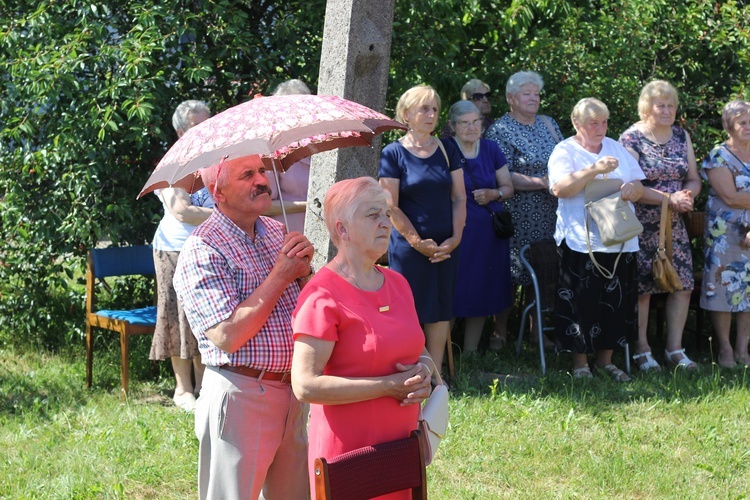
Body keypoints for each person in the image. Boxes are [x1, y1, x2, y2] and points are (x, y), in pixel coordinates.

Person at [173, 154, 314, 499]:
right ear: (216, 191)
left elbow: (305, 304)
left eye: (262, 171)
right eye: (247, 175)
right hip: (242, 394)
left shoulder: (276, 231)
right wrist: (281, 274)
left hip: (292, 392)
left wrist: (307, 273)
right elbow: (227, 335)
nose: (261, 180)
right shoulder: (203, 248)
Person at [291, 177, 434, 499]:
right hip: (349, 453)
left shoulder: (398, 283)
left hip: (401, 445)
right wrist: (387, 386)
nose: (385, 223)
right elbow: (304, 385)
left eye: (386, 214)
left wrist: (425, 374)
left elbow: (418, 350)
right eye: (373, 216)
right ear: (342, 229)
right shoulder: (321, 295)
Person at [548, 97, 645, 381]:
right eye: (593, 122)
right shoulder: (565, 150)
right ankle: (580, 364)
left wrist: (631, 190)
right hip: (581, 240)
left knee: (614, 302)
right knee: (581, 301)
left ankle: (606, 361)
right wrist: (594, 170)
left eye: (604, 122)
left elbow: (639, 184)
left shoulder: (616, 147)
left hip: (619, 238)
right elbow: (560, 189)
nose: (600, 127)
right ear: (577, 124)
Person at [379, 84, 467, 380]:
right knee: (409, 310)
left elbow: (459, 197)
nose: (432, 115)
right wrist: (417, 242)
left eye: (435, 109)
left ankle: (436, 376)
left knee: (441, 309)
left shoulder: (447, 148)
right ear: (406, 114)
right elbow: (390, 205)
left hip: (446, 245)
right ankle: (412, 372)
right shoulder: (393, 153)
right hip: (408, 247)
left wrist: (455, 239)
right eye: (424, 109)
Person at [620, 80, 701, 371]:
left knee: (681, 285)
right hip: (641, 223)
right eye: (661, 105)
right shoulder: (631, 138)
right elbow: (631, 185)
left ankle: (674, 350)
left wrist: (688, 194)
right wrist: (670, 198)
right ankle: (641, 350)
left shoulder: (681, 135)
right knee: (643, 287)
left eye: (671, 105)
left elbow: (692, 176)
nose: (667, 110)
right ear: (647, 108)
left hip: (674, 224)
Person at [486, 70, 563, 350]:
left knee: (544, 267)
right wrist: (542, 182)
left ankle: (536, 331)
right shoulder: (500, 130)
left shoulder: (550, 124)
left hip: (550, 211)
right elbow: (503, 175)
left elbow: (564, 161)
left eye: (537, 93)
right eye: (527, 93)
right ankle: (500, 331)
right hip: (517, 212)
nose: (534, 98)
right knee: (510, 273)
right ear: (511, 98)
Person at [150, 99, 213, 412]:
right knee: (177, 317)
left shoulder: (217, 160)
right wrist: (225, 214)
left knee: (207, 317)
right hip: (174, 249)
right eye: (196, 127)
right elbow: (181, 210)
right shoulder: (174, 163)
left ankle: (204, 385)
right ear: (180, 132)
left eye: (207, 123)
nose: (204, 131)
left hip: (209, 247)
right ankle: (182, 389)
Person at [445, 100, 514, 353]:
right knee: (454, 290)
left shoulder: (491, 149)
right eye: (465, 123)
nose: (472, 127)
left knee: (482, 289)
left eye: (476, 122)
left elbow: (508, 188)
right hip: (457, 231)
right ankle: (441, 354)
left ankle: (471, 353)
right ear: (453, 126)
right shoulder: (444, 149)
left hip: (488, 235)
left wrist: (494, 193)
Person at [700, 100, 750, 368]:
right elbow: (730, 197)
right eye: (743, 122)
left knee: (749, 292)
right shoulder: (718, 155)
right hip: (724, 235)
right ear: (730, 126)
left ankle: (743, 349)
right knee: (722, 289)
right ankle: (725, 348)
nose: (749, 127)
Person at [264, 78, 312, 234]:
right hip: (287, 238)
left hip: (323, 232)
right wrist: (307, 205)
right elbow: (265, 205)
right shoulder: (272, 150)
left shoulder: (319, 142)